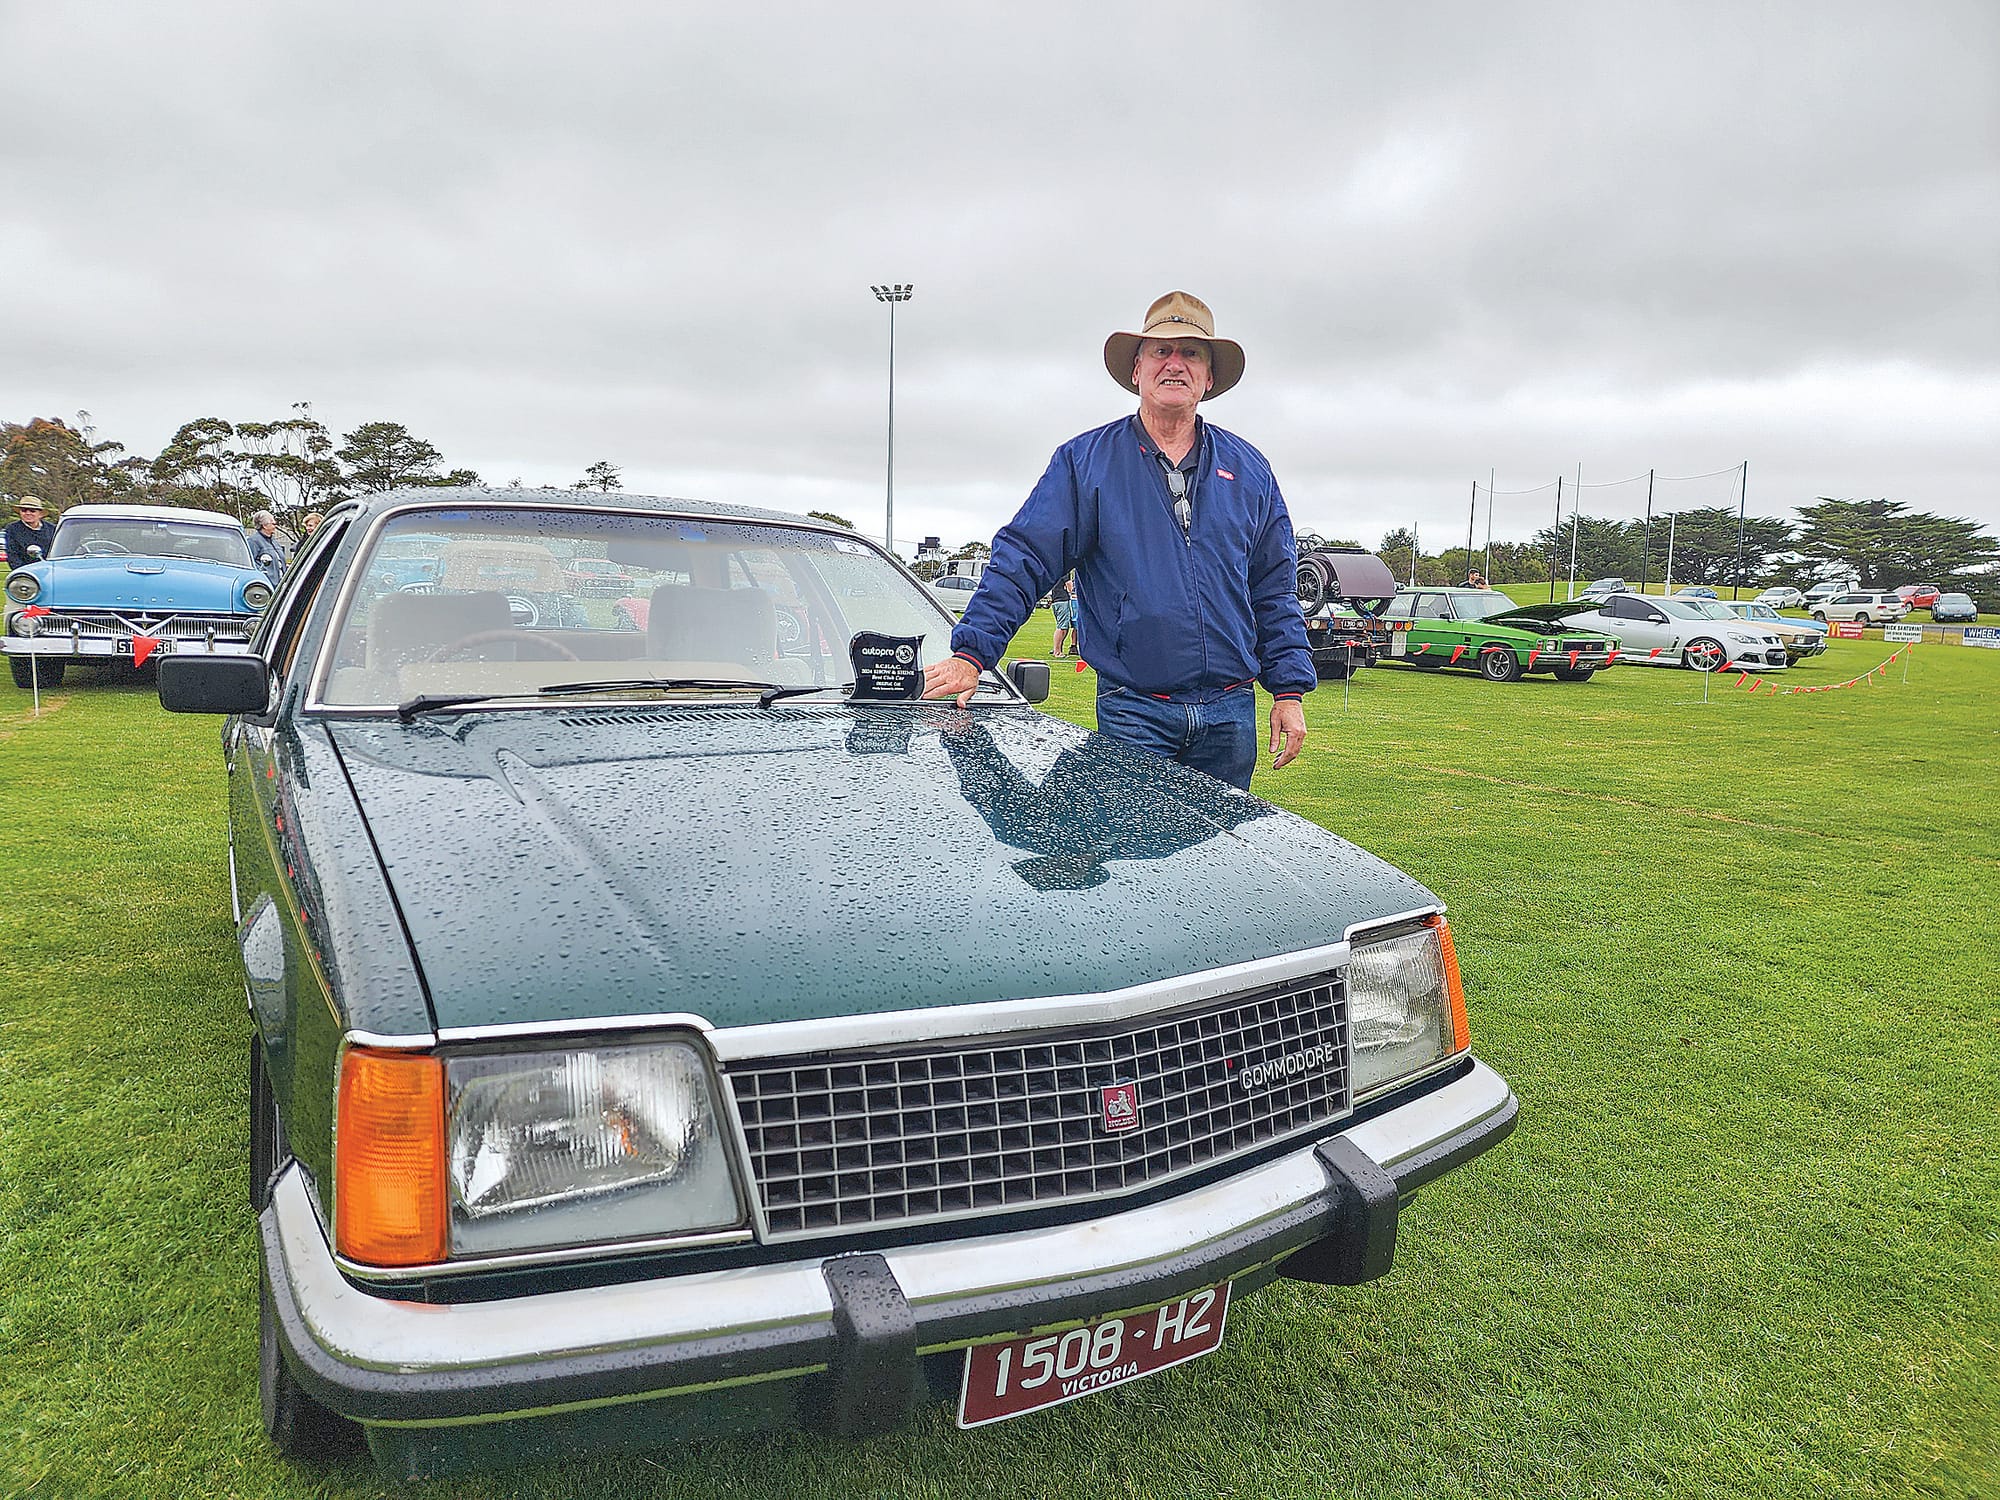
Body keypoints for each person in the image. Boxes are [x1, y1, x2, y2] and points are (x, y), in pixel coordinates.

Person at [924, 291, 1313, 791]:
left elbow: (1274, 590)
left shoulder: (1250, 469)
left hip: (1230, 715)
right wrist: (972, 654)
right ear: (1137, 370)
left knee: (1216, 845)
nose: (1175, 364)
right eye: (1161, 351)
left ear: (1209, 378)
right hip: (1135, 711)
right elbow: (1025, 558)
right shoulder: (1085, 462)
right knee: (1129, 842)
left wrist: (1288, 690)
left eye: (1192, 353)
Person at [5, 497, 58, 569]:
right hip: (25, 570)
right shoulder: (12, 529)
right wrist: (23, 572)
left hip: (50, 569)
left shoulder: (52, 529)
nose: (28, 513)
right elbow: (12, 555)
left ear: (40, 514)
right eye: (24, 510)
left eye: (32, 511)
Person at [248, 510, 287, 584]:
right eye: (273, 523)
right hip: (268, 584)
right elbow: (250, 564)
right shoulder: (253, 541)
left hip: (282, 584)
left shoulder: (274, 541)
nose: (275, 526)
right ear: (264, 525)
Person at [1050, 573, 1077, 657]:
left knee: (1064, 627)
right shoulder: (1065, 572)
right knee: (1062, 627)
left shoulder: (1056, 572)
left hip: (1056, 601)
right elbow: (1069, 585)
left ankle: (1057, 649)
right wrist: (1073, 592)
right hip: (1062, 601)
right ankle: (1057, 651)